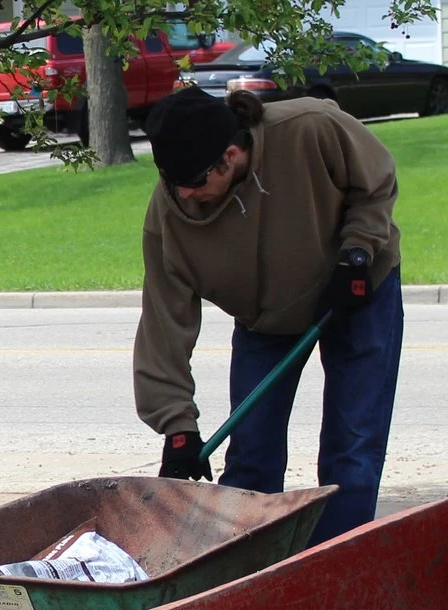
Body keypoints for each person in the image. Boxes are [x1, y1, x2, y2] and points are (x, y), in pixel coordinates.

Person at [134, 84, 403, 544]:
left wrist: (358, 252)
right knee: (250, 461)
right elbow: (164, 325)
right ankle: (249, 577)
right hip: (265, 319)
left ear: (232, 155)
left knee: (352, 451)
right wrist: (177, 428)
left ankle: (332, 568)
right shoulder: (170, 217)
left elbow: (375, 184)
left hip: (355, 293)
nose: (185, 194)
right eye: (171, 181)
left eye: (196, 182)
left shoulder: (310, 127)